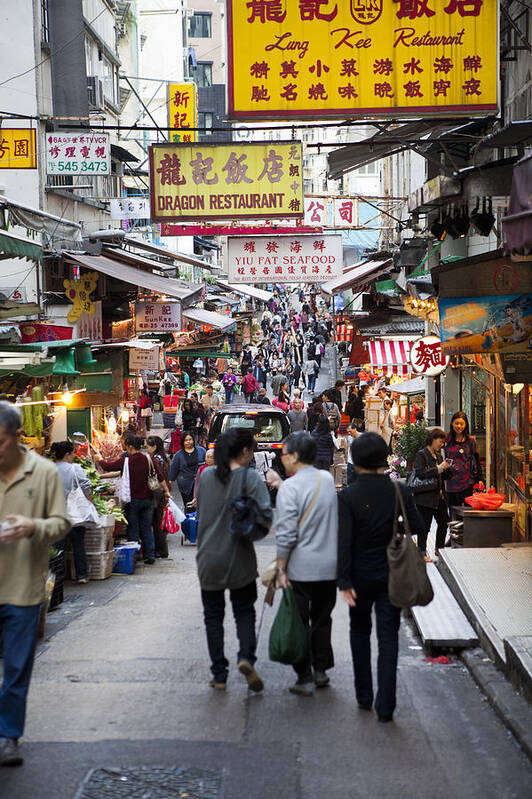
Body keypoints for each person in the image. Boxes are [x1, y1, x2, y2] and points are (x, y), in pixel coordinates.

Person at [0, 402, 70, 766]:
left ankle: (8, 736)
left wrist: (34, 528)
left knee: (15, 668)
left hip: (24, 589)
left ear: (15, 437)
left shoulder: (43, 472)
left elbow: (62, 523)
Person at [337, 433, 424, 723]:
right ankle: (386, 706)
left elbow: (343, 541)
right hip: (392, 575)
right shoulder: (399, 491)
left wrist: (344, 582)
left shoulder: (348, 495)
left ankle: (364, 696)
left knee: (359, 633)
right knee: (388, 638)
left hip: (359, 577)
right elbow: (418, 526)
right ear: (383, 459)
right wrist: (396, 524)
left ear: (357, 460)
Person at [196, 428, 272, 691]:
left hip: (207, 557)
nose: (252, 456)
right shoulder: (251, 478)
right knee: (244, 611)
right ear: (243, 452)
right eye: (251, 450)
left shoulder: (205, 476)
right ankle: (246, 658)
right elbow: (266, 516)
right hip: (239, 557)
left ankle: (219, 674)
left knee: (213, 617)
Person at [275, 432, 338, 696]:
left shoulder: (289, 488)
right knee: (322, 619)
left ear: (295, 456)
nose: (282, 457)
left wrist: (280, 567)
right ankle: (321, 670)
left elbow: (287, 532)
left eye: (285, 453)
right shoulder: (327, 479)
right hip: (329, 565)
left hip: (301, 568)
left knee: (299, 622)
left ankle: (304, 676)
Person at [98, 435, 170, 564]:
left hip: (132, 501)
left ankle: (134, 556)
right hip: (148, 500)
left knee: (133, 528)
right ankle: (150, 555)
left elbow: (108, 466)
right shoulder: (148, 459)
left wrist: (98, 458)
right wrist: (166, 491)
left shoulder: (125, 461)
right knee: (147, 528)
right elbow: (160, 476)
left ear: (130, 447)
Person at [50, 440, 92, 583]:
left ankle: (58, 578)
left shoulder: (49, 468)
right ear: (67, 454)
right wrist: (89, 502)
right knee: (78, 545)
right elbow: (86, 485)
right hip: (75, 514)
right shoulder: (75, 468)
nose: (74, 456)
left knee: (58, 548)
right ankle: (82, 576)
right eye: (72, 453)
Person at [412, 428, 453, 559]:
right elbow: (420, 473)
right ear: (433, 440)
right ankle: (422, 552)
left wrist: (447, 469)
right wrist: (438, 469)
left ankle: (439, 549)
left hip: (439, 496)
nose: (441, 445)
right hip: (425, 497)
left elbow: (442, 475)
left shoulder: (439, 455)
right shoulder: (422, 454)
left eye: (442, 442)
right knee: (424, 526)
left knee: (443, 523)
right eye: (440, 442)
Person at [444, 412, 481, 508]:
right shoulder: (446, 439)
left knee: (468, 512)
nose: (459, 426)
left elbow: (477, 460)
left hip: (467, 482)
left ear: (466, 425)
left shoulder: (471, 441)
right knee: (453, 513)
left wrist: (480, 479)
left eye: (462, 424)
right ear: (452, 423)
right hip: (450, 482)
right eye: (456, 423)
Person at [146, 436, 171, 559]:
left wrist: (165, 490)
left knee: (157, 523)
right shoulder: (163, 457)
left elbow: (159, 477)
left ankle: (160, 550)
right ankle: (162, 550)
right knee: (159, 522)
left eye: (148, 447)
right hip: (162, 493)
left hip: (158, 494)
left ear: (154, 447)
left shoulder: (156, 459)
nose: (146, 449)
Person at [169, 432, 206, 509]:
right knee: (189, 506)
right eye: (186, 440)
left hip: (200, 482)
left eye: (190, 439)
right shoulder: (178, 455)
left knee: (201, 506)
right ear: (183, 442)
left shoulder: (201, 451)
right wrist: (168, 487)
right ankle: (189, 520)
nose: (188, 442)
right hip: (185, 484)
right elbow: (173, 470)